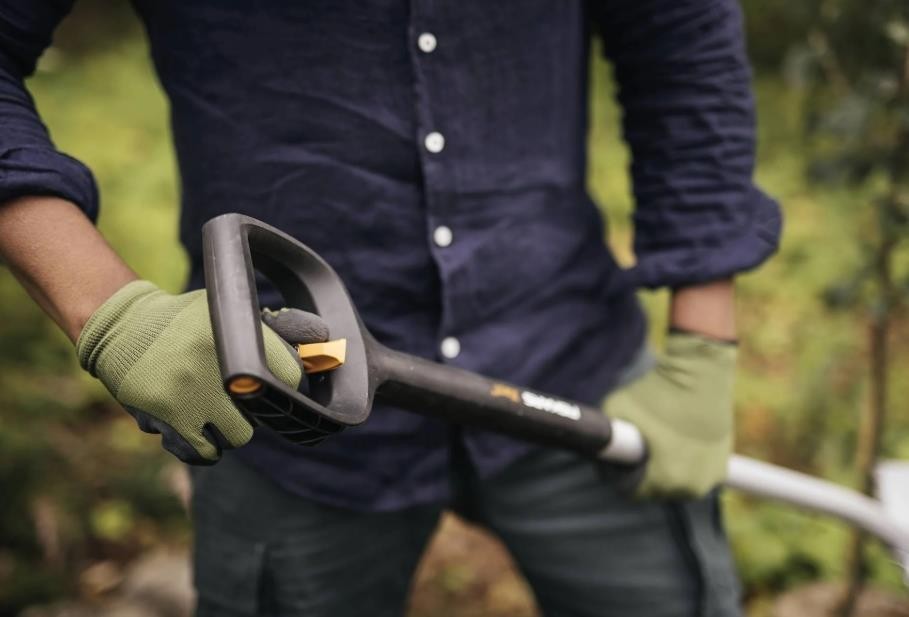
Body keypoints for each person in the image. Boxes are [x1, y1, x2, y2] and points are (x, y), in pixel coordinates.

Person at [0, 1, 781, 616]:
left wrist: (703, 341)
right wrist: (112, 313)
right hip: (289, 395)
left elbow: (681, 43)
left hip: (572, 369)